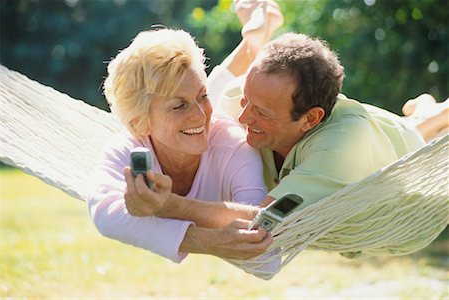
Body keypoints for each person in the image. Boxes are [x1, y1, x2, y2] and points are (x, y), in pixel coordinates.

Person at [124, 32, 448, 258]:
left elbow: (263, 222)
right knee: (414, 123)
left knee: (418, 134)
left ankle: (431, 113)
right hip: (373, 132)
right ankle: (426, 111)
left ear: (309, 119)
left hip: (402, 176)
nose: (244, 115)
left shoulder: (339, 150)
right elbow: (196, 106)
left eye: (261, 112)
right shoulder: (242, 95)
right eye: (247, 100)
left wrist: (169, 205)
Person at [88, 0, 287, 263]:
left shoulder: (235, 145)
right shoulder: (129, 146)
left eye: (200, 98)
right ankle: (253, 39)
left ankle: (255, 40)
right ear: (140, 124)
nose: (200, 113)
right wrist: (206, 241)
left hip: (222, 125)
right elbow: (105, 212)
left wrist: (169, 205)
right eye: (178, 106)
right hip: (186, 125)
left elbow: (262, 233)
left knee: (215, 96)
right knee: (207, 94)